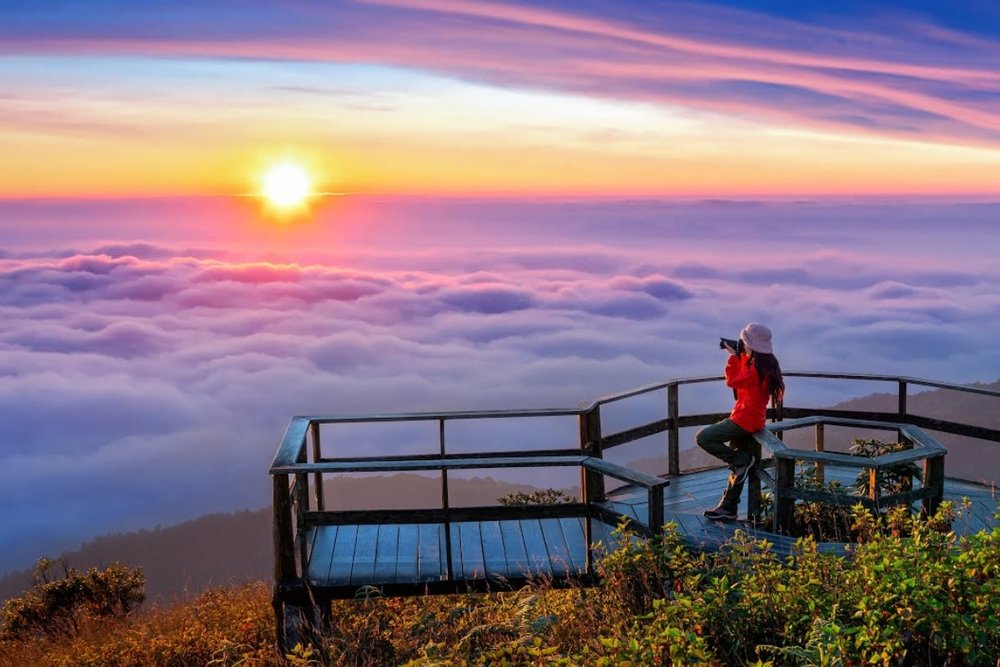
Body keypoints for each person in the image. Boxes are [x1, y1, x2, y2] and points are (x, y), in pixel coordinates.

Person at [697, 322, 784, 521]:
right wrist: (741, 354)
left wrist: (732, 357)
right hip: (750, 419)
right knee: (739, 467)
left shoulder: (755, 370)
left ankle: (740, 461)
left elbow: (733, 380)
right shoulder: (762, 365)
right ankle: (728, 508)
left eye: (745, 343)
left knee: (704, 438)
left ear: (752, 346)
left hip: (744, 420)